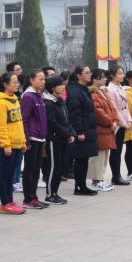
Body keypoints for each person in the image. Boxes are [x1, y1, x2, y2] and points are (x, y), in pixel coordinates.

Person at [0, 72, 27, 214]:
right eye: (14, 82)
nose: (17, 84)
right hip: (7, 146)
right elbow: (0, 126)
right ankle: (5, 203)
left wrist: (23, 141)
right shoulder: (0, 103)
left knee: (11, 176)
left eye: (17, 82)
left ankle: (10, 201)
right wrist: (6, 145)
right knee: (4, 175)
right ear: (5, 84)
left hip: (18, 144)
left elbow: (19, 123)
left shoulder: (15, 100)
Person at [66, 66, 99, 196]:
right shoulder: (75, 91)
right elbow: (75, 114)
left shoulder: (83, 90)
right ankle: (79, 187)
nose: (90, 74)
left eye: (90, 72)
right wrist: (79, 132)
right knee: (80, 159)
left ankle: (82, 185)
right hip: (82, 131)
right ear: (79, 75)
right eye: (87, 73)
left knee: (84, 158)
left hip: (87, 129)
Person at [19, 70, 49, 210]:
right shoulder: (28, 96)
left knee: (36, 170)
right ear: (31, 80)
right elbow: (23, 119)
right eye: (40, 79)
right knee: (29, 169)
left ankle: (34, 197)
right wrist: (26, 139)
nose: (43, 82)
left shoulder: (39, 95)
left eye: (44, 79)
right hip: (32, 137)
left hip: (40, 138)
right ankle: (28, 198)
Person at [42, 76, 75, 205]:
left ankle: (55, 193)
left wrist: (71, 133)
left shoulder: (60, 101)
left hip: (63, 139)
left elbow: (67, 119)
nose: (63, 87)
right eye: (60, 85)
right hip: (54, 139)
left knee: (60, 167)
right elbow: (52, 123)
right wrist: (67, 134)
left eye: (63, 84)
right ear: (52, 88)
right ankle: (50, 194)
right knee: (54, 167)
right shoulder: (48, 103)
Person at [89, 70, 118, 192]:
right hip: (101, 129)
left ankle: (100, 179)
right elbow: (99, 112)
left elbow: (113, 108)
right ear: (95, 79)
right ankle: (96, 181)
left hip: (107, 129)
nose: (105, 79)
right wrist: (111, 123)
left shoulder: (103, 92)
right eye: (102, 78)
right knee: (98, 157)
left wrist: (115, 121)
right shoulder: (93, 94)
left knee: (105, 155)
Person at [105, 66, 132, 185]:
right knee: (115, 151)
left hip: (123, 123)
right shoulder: (110, 89)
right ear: (112, 76)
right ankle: (116, 176)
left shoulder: (120, 87)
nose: (122, 75)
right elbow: (114, 109)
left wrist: (129, 120)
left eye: (122, 73)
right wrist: (124, 123)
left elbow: (126, 107)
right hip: (117, 124)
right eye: (120, 73)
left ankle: (117, 175)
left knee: (119, 150)